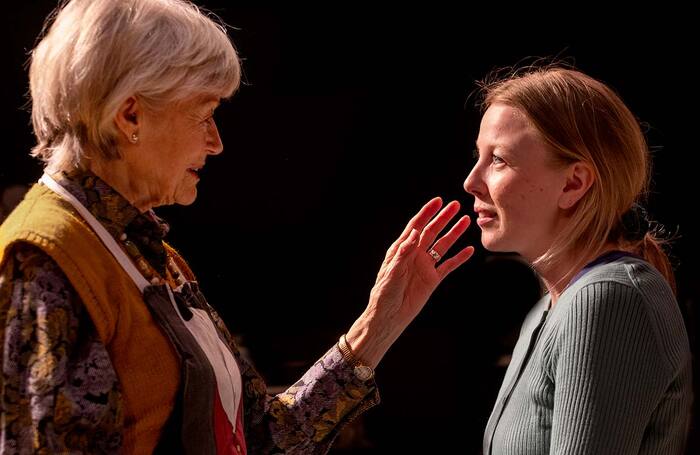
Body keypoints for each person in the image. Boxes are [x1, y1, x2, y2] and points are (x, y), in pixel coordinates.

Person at [0, 1, 475, 453]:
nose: (216, 142)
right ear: (130, 115)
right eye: (205, 114)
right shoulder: (47, 254)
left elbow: (258, 439)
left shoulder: (141, 250)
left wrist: (377, 326)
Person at [465, 65, 693, 454]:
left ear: (573, 184)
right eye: (478, 156)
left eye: (498, 159)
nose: (471, 181)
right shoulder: (548, 309)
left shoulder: (607, 298)